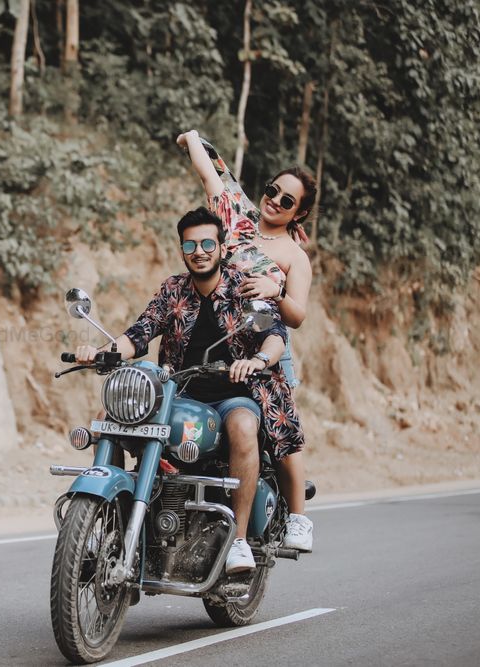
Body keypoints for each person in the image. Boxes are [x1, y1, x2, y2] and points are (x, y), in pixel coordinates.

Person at [74, 207, 305, 574]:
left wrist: (258, 360)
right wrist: (100, 352)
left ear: (222, 245)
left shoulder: (244, 285)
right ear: (182, 248)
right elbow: (140, 333)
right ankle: (111, 522)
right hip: (178, 393)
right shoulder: (173, 289)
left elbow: (275, 334)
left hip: (233, 394)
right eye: (191, 244)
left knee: (244, 426)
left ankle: (240, 541)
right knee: (109, 418)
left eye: (207, 243)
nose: (199, 251)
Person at [176, 129, 315, 553]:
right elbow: (209, 178)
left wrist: (275, 292)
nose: (275, 200)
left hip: (268, 342)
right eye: (273, 190)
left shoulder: (294, 255)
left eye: (287, 200)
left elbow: (297, 315)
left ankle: (299, 517)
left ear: (299, 213)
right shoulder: (238, 218)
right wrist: (192, 139)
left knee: (280, 428)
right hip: (217, 335)